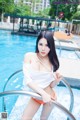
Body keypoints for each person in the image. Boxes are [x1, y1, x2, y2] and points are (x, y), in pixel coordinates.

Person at [21, 31, 62, 120]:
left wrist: (56, 80)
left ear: (51, 46)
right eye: (41, 44)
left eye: (47, 45)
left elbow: (51, 85)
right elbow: (28, 81)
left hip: (50, 97)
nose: (43, 48)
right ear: (37, 44)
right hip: (37, 96)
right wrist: (43, 94)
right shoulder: (29, 56)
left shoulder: (52, 62)